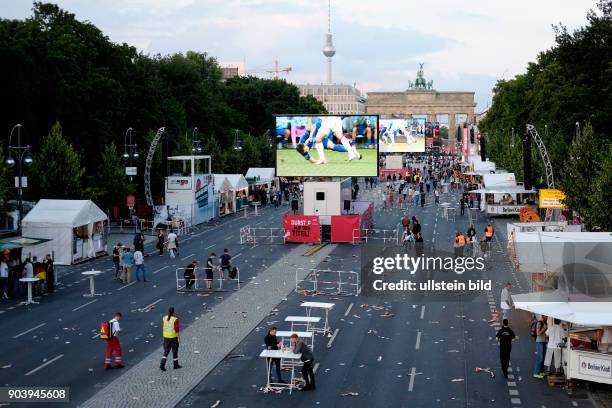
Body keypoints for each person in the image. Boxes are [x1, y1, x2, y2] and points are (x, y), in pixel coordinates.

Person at [160, 306, 181, 371]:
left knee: (166, 351)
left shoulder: (164, 318)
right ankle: (175, 365)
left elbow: (163, 327)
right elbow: (176, 330)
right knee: (174, 351)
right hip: (173, 337)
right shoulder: (175, 319)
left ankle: (162, 364)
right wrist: (179, 338)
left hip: (166, 337)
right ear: (173, 312)